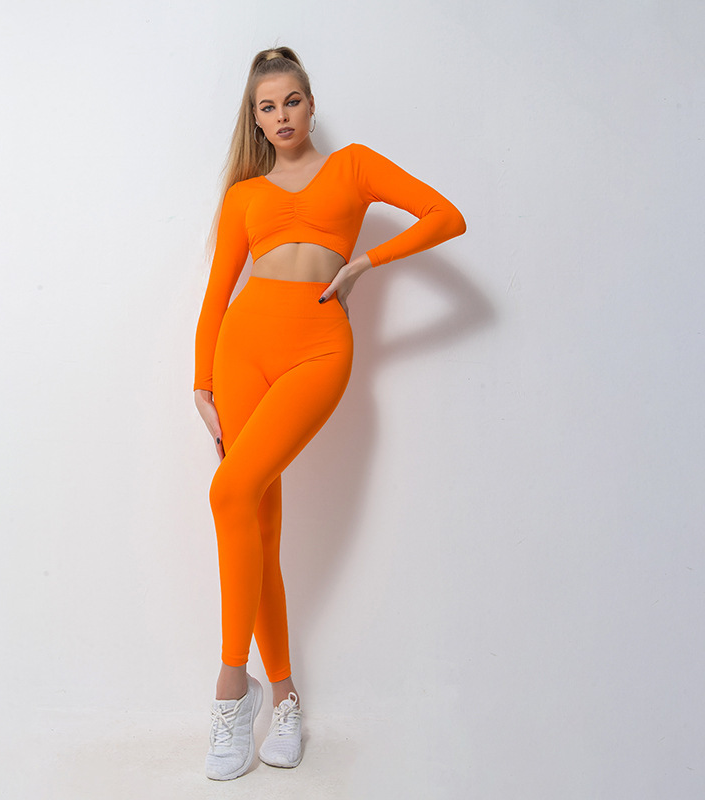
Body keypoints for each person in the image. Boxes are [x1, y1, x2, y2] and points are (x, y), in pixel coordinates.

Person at [193, 46, 466, 781]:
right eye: (267, 107)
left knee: (228, 492)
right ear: (255, 120)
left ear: (311, 104)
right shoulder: (243, 195)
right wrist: (201, 381)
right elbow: (218, 290)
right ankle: (282, 697)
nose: (281, 116)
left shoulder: (353, 166)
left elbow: (446, 217)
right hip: (242, 349)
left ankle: (230, 688)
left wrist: (364, 264)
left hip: (319, 348)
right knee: (256, 517)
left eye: (291, 101)